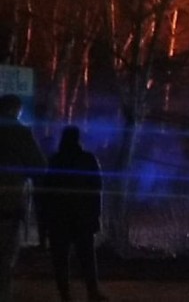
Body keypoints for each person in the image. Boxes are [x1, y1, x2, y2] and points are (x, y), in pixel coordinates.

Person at [43, 126, 107, 302]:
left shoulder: (56, 160)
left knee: (61, 259)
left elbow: (48, 190)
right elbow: (96, 188)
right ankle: (92, 292)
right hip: (82, 217)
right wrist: (96, 215)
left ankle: (65, 295)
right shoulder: (88, 159)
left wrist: (46, 219)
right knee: (87, 257)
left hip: (59, 218)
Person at [0, 94, 47, 302]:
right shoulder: (21, 133)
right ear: (16, 110)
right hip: (8, 207)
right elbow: (39, 167)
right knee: (4, 262)